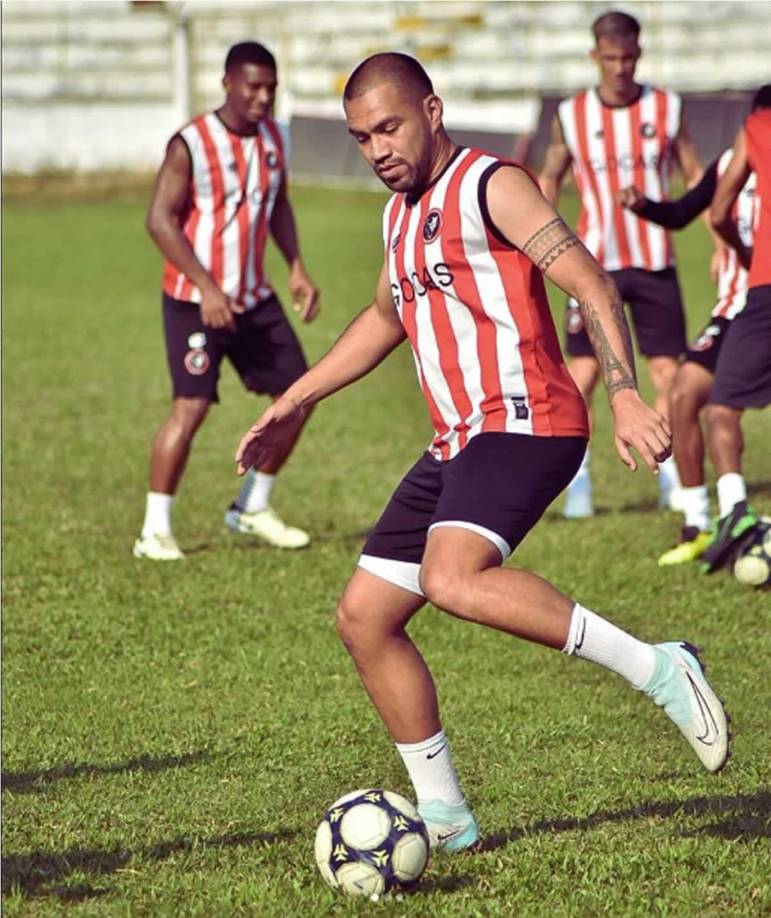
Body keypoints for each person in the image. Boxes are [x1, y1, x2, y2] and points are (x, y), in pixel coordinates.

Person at [235, 54, 729, 851]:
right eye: (361, 138)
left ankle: (659, 669)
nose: (377, 149)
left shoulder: (491, 185)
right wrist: (295, 399)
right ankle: (445, 816)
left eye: (389, 128)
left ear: (431, 112)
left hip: (529, 420)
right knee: (364, 618)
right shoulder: (398, 215)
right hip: (457, 440)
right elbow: (384, 319)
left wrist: (622, 393)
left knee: (451, 577)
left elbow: (592, 284)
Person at [134, 41, 319, 561]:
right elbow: (159, 220)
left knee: (300, 396)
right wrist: (208, 287)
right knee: (190, 407)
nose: (262, 97)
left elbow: (278, 204)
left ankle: (251, 507)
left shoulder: (274, 138)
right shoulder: (191, 143)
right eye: (253, 87)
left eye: (270, 88)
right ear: (227, 84)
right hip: (195, 301)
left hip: (255, 298)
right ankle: (154, 531)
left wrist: (296, 265)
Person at [539, 10, 703, 518]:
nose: (620, 68)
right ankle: (579, 480)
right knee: (584, 374)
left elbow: (695, 175)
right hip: (591, 266)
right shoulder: (572, 115)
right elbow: (548, 179)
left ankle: (671, 475)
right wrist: (539, 242)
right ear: (595, 55)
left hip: (654, 261)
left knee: (668, 373)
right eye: (610, 58)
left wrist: (722, 241)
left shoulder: (667, 108)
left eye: (628, 58)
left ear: (639, 54)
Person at [617, 144, 759, 565]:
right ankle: (698, 524)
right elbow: (682, 213)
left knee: (722, 409)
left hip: (764, 310)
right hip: (732, 310)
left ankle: (736, 517)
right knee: (682, 393)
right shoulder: (732, 160)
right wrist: (643, 205)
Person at [702, 84, 771, 572]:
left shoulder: (757, 127)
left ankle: (734, 510)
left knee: (721, 408)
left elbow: (719, 210)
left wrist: (744, 251)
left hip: (767, 285)